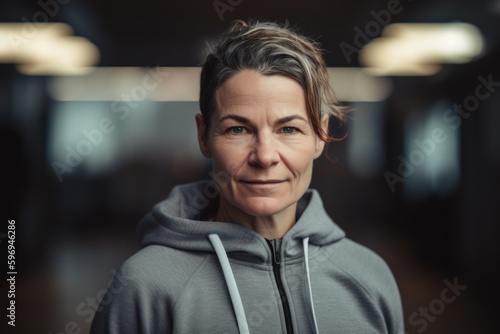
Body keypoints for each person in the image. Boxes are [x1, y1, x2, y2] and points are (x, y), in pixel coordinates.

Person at [90, 20, 404, 334]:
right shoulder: (144, 285)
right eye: (238, 129)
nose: (265, 156)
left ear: (320, 135)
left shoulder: (370, 277)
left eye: (288, 129)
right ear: (204, 136)